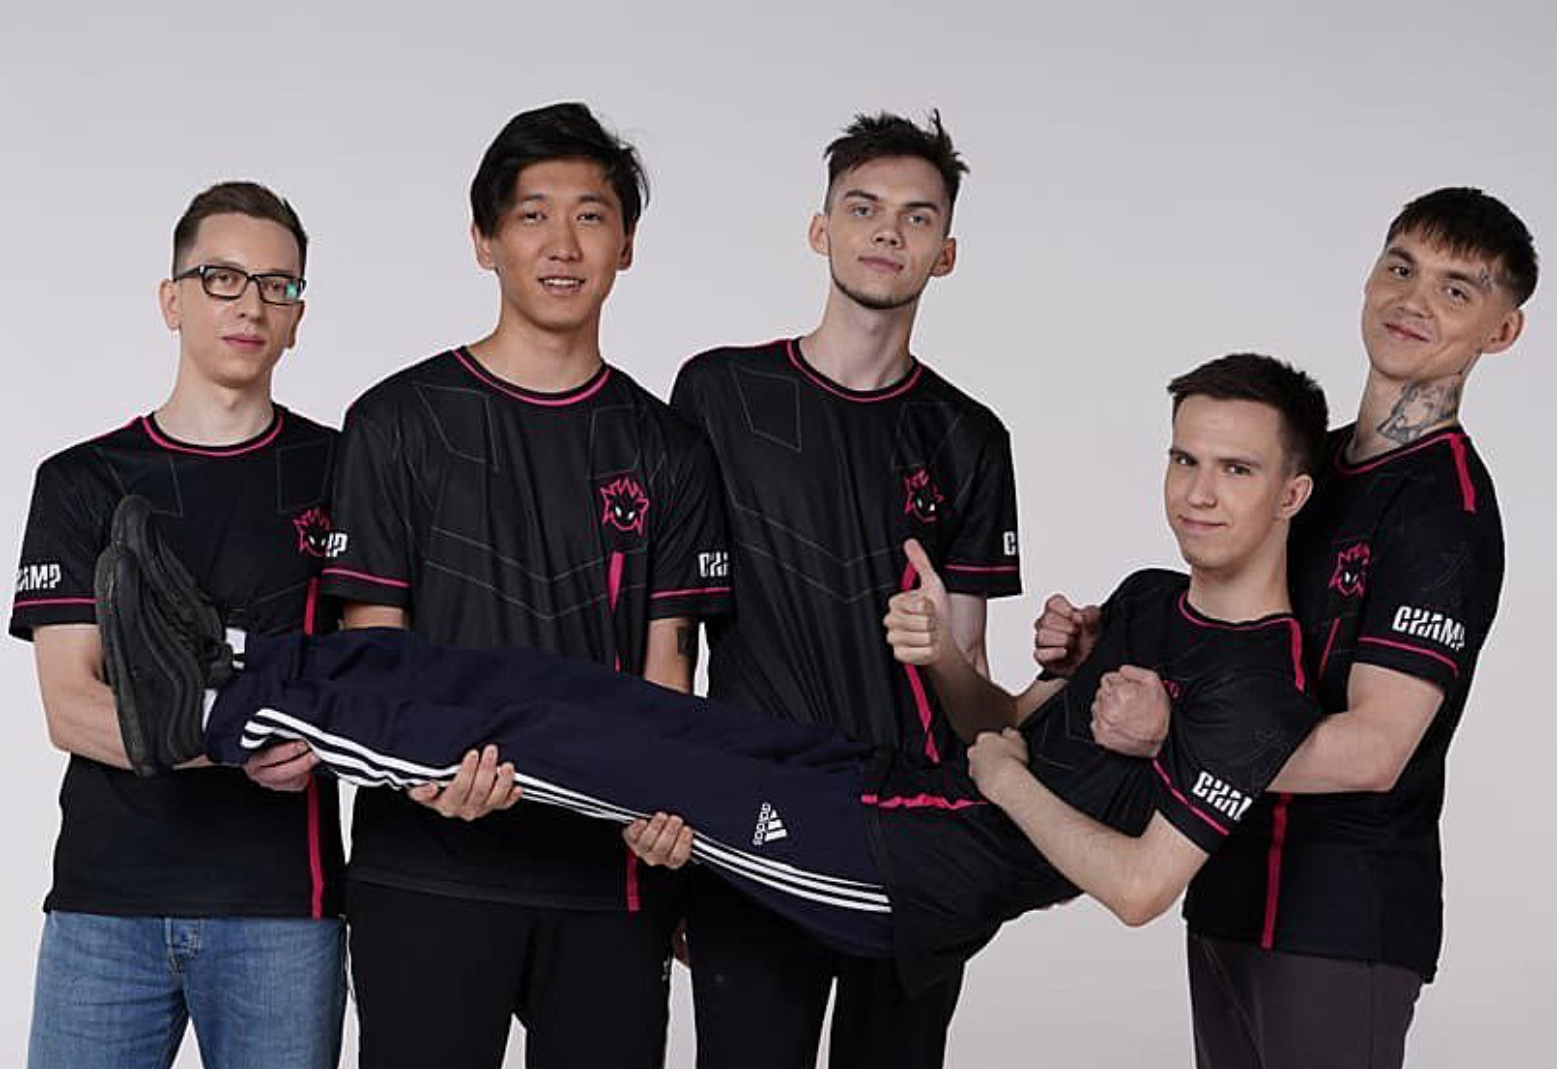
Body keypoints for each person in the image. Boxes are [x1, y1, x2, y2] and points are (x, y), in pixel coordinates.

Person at [97, 352, 1327, 1004]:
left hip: (899, 872)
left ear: (1292, 492)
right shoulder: (1149, 597)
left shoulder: (1266, 687)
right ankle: (243, 657)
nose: (1196, 492)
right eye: (1184, 459)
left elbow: (1137, 887)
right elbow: (1004, 723)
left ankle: (209, 712)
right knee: (569, 691)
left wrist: (1010, 771)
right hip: (885, 781)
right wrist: (1008, 687)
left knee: (565, 750)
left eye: (1232, 470)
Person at [1057, 188, 1536, 1069]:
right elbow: (1237, 648)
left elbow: (1374, 749)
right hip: (1223, 886)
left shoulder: (1445, 513)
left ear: (1501, 331)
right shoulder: (1304, 463)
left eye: (1455, 290)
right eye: (1400, 268)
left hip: (1339, 920)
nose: (1413, 301)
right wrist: (1111, 655)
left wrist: (1170, 733)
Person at [309, 102, 733, 1069]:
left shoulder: (669, 450)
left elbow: (671, 676)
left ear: (626, 244)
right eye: (533, 214)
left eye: (591, 215)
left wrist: (669, 810)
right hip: (428, 870)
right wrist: (422, 773)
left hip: (609, 882)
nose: (562, 244)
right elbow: (373, 650)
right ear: (484, 240)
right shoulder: (397, 422)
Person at [667, 109, 1021, 1069]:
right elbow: (670, 638)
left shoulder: (969, 437)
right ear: (820, 229)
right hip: (754, 822)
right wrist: (673, 816)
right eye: (863, 208)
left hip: (911, 841)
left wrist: (938, 649)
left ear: (946, 253)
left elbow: (979, 702)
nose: (887, 232)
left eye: (917, 217)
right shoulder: (718, 394)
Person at [8, 181, 345, 1069]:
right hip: (106, 907)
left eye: (277, 285)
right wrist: (234, 739)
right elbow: (71, 707)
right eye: (221, 277)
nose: (250, 304)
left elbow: (374, 669)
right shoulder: (82, 481)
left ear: (298, 315)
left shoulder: (345, 472)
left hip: (283, 909)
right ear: (171, 300)